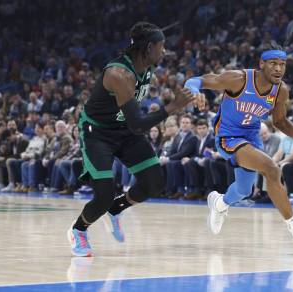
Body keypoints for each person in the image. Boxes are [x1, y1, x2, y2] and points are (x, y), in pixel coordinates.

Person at [67, 22, 199, 257]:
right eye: (162, 47)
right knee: (104, 194)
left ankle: (117, 208)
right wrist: (173, 107)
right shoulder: (119, 74)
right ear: (148, 47)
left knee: (154, 183)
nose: (165, 51)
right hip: (97, 132)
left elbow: (133, 122)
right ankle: (78, 230)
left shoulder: (146, 66)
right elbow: (138, 123)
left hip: (124, 129)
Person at [184, 43, 293, 251]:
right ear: (261, 64)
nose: (278, 69)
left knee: (244, 190)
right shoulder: (238, 79)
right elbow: (195, 80)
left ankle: (219, 203)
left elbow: (281, 123)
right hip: (228, 137)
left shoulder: (281, 91)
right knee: (272, 169)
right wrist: (195, 91)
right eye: (273, 64)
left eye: (282, 64)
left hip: (251, 137)